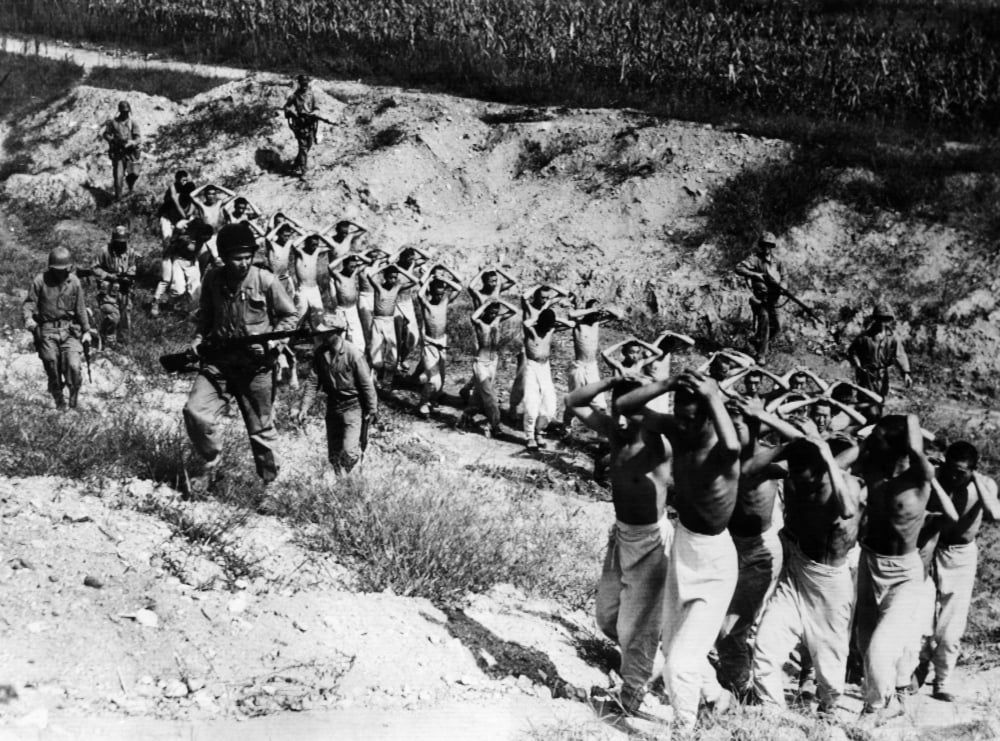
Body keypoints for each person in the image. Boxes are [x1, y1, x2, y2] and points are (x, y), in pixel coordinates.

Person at [614, 370, 741, 734]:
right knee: (673, 645)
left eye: (691, 416)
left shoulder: (721, 446)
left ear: (707, 414)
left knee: (680, 662)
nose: (683, 423)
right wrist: (667, 385)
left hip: (715, 559)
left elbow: (733, 448)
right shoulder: (678, 430)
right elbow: (625, 406)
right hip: (684, 545)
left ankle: (685, 729)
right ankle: (717, 698)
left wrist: (713, 394)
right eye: (679, 414)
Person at [565, 375, 673, 718]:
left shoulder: (658, 443)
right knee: (607, 616)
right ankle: (651, 666)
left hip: (652, 541)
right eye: (619, 407)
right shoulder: (615, 431)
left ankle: (632, 694)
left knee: (637, 626)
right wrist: (610, 381)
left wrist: (665, 385)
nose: (624, 415)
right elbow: (574, 402)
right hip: (621, 534)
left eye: (633, 408)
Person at [853, 414, 958, 718]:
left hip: (904, 572)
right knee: (864, 641)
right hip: (870, 561)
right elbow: (837, 461)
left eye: (882, 437)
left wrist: (911, 418)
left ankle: (876, 708)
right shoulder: (872, 469)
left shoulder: (920, 475)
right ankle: (887, 701)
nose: (876, 440)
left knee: (880, 647)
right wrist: (871, 437)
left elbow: (916, 451)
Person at [751, 435, 863, 715]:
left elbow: (848, 510)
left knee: (829, 657)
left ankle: (828, 709)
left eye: (806, 475)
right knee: (767, 642)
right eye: (795, 473)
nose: (800, 480)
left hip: (830, 580)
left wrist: (826, 456)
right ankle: (772, 714)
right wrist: (785, 446)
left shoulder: (845, 484)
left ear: (822, 468)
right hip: (797, 569)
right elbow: (748, 469)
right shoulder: (794, 477)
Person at [182, 223, 299, 488]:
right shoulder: (212, 278)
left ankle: (271, 484)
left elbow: (290, 315)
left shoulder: (264, 279)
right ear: (223, 256)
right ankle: (210, 465)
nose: (243, 263)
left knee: (260, 429)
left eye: (248, 257)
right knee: (195, 411)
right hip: (219, 363)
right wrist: (199, 339)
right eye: (237, 258)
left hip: (255, 367)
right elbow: (206, 316)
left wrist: (273, 345)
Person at [714, 398, 803, 697]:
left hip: (758, 551)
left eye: (737, 425)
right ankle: (731, 679)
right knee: (719, 622)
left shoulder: (769, 461)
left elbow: (803, 444)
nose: (728, 430)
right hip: (725, 545)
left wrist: (764, 415)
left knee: (733, 628)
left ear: (753, 429)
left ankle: (743, 688)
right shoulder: (722, 453)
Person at [912, 442, 1000, 701]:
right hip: (931, 545)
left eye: (961, 472)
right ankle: (918, 668)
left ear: (973, 470)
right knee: (921, 613)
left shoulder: (983, 485)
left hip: (961, 555)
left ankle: (943, 679)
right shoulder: (936, 477)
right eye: (951, 469)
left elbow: (994, 513)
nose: (954, 476)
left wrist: (974, 479)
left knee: (951, 624)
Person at [297, 312, 378, 473]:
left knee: (349, 451)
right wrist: (304, 407)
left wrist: (372, 409)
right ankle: (340, 480)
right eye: (321, 333)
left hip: (353, 406)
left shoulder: (353, 354)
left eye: (326, 333)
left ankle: (354, 471)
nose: (322, 336)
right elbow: (313, 382)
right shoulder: (321, 353)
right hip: (333, 405)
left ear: (337, 332)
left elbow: (366, 384)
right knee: (333, 452)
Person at [23, 247, 92, 410]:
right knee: (51, 362)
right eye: (58, 270)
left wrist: (86, 330)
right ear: (51, 268)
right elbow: (29, 304)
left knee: (74, 366)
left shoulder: (74, 281)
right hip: (47, 330)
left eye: (65, 270)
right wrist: (29, 321)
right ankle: (58, 397)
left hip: (69, 330)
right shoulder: (40, 281)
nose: (62, 273)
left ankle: (74, 396)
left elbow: (80, 307)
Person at [561, 300, 623, 431]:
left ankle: (602, 434)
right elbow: (572, 314)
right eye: (594, 312)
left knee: (600, 404)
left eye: (598, 313)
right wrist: (592, 310)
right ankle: (566, 428)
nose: (597, 315)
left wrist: (604, 308)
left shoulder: (597, 323)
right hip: (579, 366)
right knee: (573, 399)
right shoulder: (578, 324)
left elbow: (618, 316)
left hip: (592, 367)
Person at [458, 300, 517, 438]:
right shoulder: (480, 323)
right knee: (490, 397)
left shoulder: (497, 320)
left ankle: (466, 417)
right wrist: (487, 303)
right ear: (485, 312)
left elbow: (514, 310)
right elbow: (473, 317)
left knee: (479, 395)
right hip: (481, 362)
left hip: (493, 361)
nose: (493, 315)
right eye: (490, 313)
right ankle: (495, 425)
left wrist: (501, 301)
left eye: (495, 313)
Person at [521, 307, 572, 449]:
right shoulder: (531, 331)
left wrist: (554, 321)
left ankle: (539, 431)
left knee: (550, 406)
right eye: (547, 324)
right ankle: (530, 436)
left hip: (545, 368)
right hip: (531, 367)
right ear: (540, 323)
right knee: (532, 405)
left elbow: (571, 324)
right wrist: (538, 319)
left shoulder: (550, 330)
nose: (549, 327)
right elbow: (526, 323)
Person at [415, 273, 462, 417]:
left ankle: (433, 401)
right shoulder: (426, 304)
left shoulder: (445, 301)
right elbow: (419, 294)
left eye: (441, 294)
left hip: (442, 342)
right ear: (431, 292)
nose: (439, 297)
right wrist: (430, 279)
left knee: (441, 377)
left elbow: (458, 288)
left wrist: (443, 279)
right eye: (436, 294)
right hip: (430, 344)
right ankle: (422, 404)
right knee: (434, 379)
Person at [847, 304, 912, 402]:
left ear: (889, 320)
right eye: (879, 319)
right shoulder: (864, 338)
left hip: (882, 375)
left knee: (880, 401)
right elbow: (853, 352)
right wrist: (858, 365)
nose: (882, 322)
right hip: (866, 375)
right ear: (875, 319)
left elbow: (900, 355)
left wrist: (905, 373)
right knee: (866, 402)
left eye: (886, 319)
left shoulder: (892, 338)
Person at [734, 232, 782, 361]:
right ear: (761, 246)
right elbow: (739, 268)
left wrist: (784, 286)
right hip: (760, 298)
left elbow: (785, 276)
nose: (767, 248)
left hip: (774, 299)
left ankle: (758, 340)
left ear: (773, 247)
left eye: (770, 245)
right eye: (765, 245)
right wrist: (755, 275)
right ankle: (761, 354)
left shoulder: (777, 262)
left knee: (777, 326)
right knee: (765, 321)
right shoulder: (754, 259)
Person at [368, 263, 418, 387]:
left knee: (392, 351)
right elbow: (369, 275)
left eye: (395, 277)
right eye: (390, 277)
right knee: (375, 349)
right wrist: (382, 268)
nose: (393, 280)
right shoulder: (379, 287)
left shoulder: (397, 287)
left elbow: (415, 281)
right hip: (378, 321)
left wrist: (400, 269)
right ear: (385, 277)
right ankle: (372, 379)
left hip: (390, 322)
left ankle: (387, 381)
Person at [91, 225, 138, 347]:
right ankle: (107, 338)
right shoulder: (104, 251)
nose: (121, 245)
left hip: (125, 290)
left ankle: (122, 343)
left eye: (123, 242)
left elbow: (133, 267)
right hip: (109, 290)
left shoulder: (130, 251)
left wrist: (129, 275)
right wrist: (109, 276)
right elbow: (94, 268)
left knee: (125, 318)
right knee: (113, 316)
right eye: (118, 242)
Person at [392, 246, 430, 375]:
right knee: (396, 336)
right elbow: (389, 261)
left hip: (407, 302)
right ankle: (396, 362)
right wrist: (399, 250)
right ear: (402, 258)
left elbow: (427, 257)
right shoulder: (395, 266)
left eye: (412, 259)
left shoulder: (412, 265)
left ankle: (403, 358)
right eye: (408, 259)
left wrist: (414, 247)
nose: (411, 261)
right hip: (395, 302)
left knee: (413, 335)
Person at [151, 231, 201, 317]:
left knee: (196, 288)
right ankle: (156, 302)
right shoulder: (171, 253)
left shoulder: (194, 249)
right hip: (176, 260)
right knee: (172, 285)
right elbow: (166, 279)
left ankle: (192, 310)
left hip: (190, 263)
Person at [329, 252, 372, 349]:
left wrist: (357, 255)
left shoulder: (354, 273)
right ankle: (339, 358)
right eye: (351, 266)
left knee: (358, 338)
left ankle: (358, 356)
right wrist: (344, 256)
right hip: (342, 310)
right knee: (341, 337)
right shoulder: (338, 276)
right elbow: (330, 267)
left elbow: (369, 261)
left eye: (355, 266)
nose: (353, 268)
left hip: (353, 310)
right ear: (344, 265)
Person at [101, 100, 141, 200]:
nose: (125, 113)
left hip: (130, 152)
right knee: (118, 177)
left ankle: (130, 187)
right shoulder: (113, 123)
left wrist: (132, 142)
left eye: (127, 111)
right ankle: (118, 198)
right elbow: (105, 134)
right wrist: (113, 140)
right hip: (118, 153)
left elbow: (138, 138)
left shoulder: (133, 123)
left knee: (134, 174)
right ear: (119, 111)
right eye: (123, 111)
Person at [291, 233, 333, 322]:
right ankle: (294, 335)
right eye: (312, 244)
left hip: (314, 289)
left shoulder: (317, 251)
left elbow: (332, 246)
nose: (315, 247)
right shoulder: (300, 252)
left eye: (316, 244)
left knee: (319, 317)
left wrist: (320, 235)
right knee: (300, 316)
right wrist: (306, 234)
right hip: (303, 289)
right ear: (307, 243)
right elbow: (293, 245)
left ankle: (316, 335)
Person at [283, 75, 319, 175]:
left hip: (310, 124)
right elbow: (286, 107)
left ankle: (297, 163)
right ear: (299, 83)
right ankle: (303, 170)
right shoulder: (294, 96)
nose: (304, 86)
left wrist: (315, 112)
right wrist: (292, 113)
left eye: (306, 84)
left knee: (309, 144)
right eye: (302, 84)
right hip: (300, 125)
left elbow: (316, 106)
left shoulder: (311, 94)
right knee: (303, 147)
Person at [158, 171, 195, 241]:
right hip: (169, 217)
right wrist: (184, 216)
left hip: (180, 216)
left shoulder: (189, 187)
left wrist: (188, 215)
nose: (184, 182)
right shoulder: (173, 188)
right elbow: (176, 204)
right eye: (183, 180)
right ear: (178, 180)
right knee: (168, 239)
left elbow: (193, 202)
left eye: (186, 180)